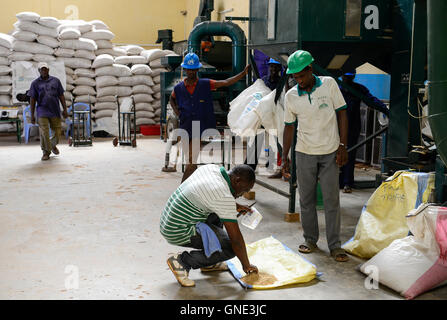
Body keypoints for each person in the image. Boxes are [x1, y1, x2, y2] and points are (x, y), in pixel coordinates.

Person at [281, 50, 350, 262]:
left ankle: (335, 245)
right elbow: (289, 127)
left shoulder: (329, 84)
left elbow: (342, 113)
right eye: (295, 77)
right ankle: (310, 239)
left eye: (301, 76)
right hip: (304, 153)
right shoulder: (291, 96)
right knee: (307, 199)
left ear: (311, 69)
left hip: (329, 151)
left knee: (331, 200)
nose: (298, 80)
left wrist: (342, 145)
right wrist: (285, 155)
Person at [160, 164, 258, 287]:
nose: (243, 194)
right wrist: (246, 265)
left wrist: (234, 206)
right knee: (230, 248)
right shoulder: (222, 196)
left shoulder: (212, 169)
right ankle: (182, 262)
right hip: (178, 230)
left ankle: (209, 262)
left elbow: (208, 196)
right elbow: (236, 239)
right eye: (245, 190)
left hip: (169, 220)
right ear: (237, 180)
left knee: (221, 214)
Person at [169, 52, 250, 182]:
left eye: (193, 70)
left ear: (197, 69)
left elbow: (225, 82)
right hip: (185, 125)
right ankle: (194, 183)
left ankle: (183, 186)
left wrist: (243, 74)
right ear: (185, 69)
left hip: (198, 126)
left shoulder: (206, 84)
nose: (191, 72)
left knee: (191, 159)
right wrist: (177, 113)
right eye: (188, 70)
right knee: (189, 159)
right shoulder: (178, 88)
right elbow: (171, 99)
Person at [339, 70, 389, 193]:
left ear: (354, 76)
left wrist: (386, 111)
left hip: (352, 127)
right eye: (346, 77)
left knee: (349, 155)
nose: (348, 80)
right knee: (335, 154)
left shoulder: (358, 89)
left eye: (349, 77)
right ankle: (339, 181)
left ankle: (346, 182)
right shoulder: (336, 88)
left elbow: (371, 100)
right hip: (336, 126)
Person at [29, 62, 68, 161]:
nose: (44, 71)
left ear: (48, 70)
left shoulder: (56, 81)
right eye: (42, 69)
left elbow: (61, 96)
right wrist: (32, 115)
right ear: (39, 71)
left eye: (45, 69)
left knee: (58, 132)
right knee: (44, 132)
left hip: (54, 110)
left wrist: (65, 109)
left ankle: (51, 144)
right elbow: (32, 100)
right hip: (42, 111)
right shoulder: (35, 83)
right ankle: (46, 152)